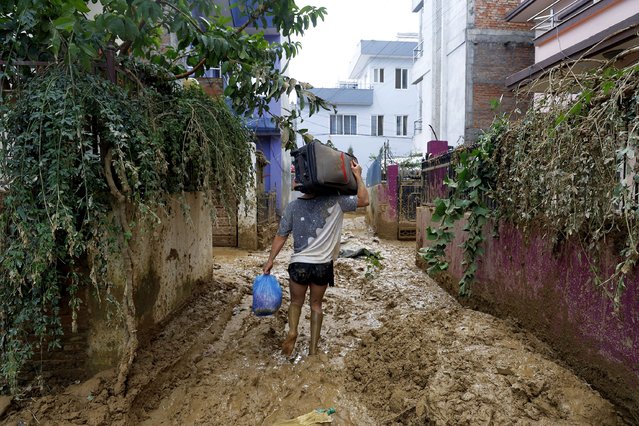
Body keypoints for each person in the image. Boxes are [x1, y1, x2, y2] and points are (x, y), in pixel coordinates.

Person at [262, 159, 369, 356]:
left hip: (299, 265)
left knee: (295, 302)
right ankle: (313, 351)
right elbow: (364, 200)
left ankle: (293, 331)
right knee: (316, 305)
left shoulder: (293, 207)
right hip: (322, 266)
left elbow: (281, 236)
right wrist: (358, 176)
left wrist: (270, 260)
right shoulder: (338, 202)